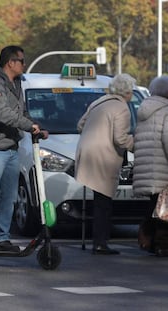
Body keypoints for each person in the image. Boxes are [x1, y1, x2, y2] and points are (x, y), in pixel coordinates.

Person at [0, 45, 45, 254]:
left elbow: (22, 111)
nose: (24, 64)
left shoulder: (17, 82)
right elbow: (2, 113)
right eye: (21, 60)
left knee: (10, 197)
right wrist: (28, 126)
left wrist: (37, 126)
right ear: (10, 62)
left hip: (11, 146)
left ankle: (2, 238)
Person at [75, 73, 136, 255]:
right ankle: (100, 242)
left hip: (86, 153)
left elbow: (80, 125)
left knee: (99, 200)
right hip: (104, 156)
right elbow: (120, 139)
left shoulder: (100, 102)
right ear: (127, 91)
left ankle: (98, 241)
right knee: (104, 202)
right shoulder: (122, 107)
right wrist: (138, 145)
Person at [133, 75, 168, 257]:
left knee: (155, 206)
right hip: (162, 169)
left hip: (146, 169)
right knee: (163, 211)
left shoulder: (144, 111)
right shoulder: (166, 111)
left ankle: (147, 239)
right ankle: (161, 244)